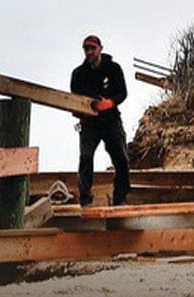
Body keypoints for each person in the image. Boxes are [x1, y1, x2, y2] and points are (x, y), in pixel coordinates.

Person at [70, 35, 130, 206]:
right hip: (89, 122)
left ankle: (121, 198)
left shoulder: (113, 68)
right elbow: (74, 97)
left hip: (111, 120)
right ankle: (85, 199)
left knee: (120, 158)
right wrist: (77, 109)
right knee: (86, 158)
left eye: (92, 48)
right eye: (86, 49)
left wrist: (110, 103)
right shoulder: (79, 74)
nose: (89, 52)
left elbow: (123, 92)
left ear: (100, 49)